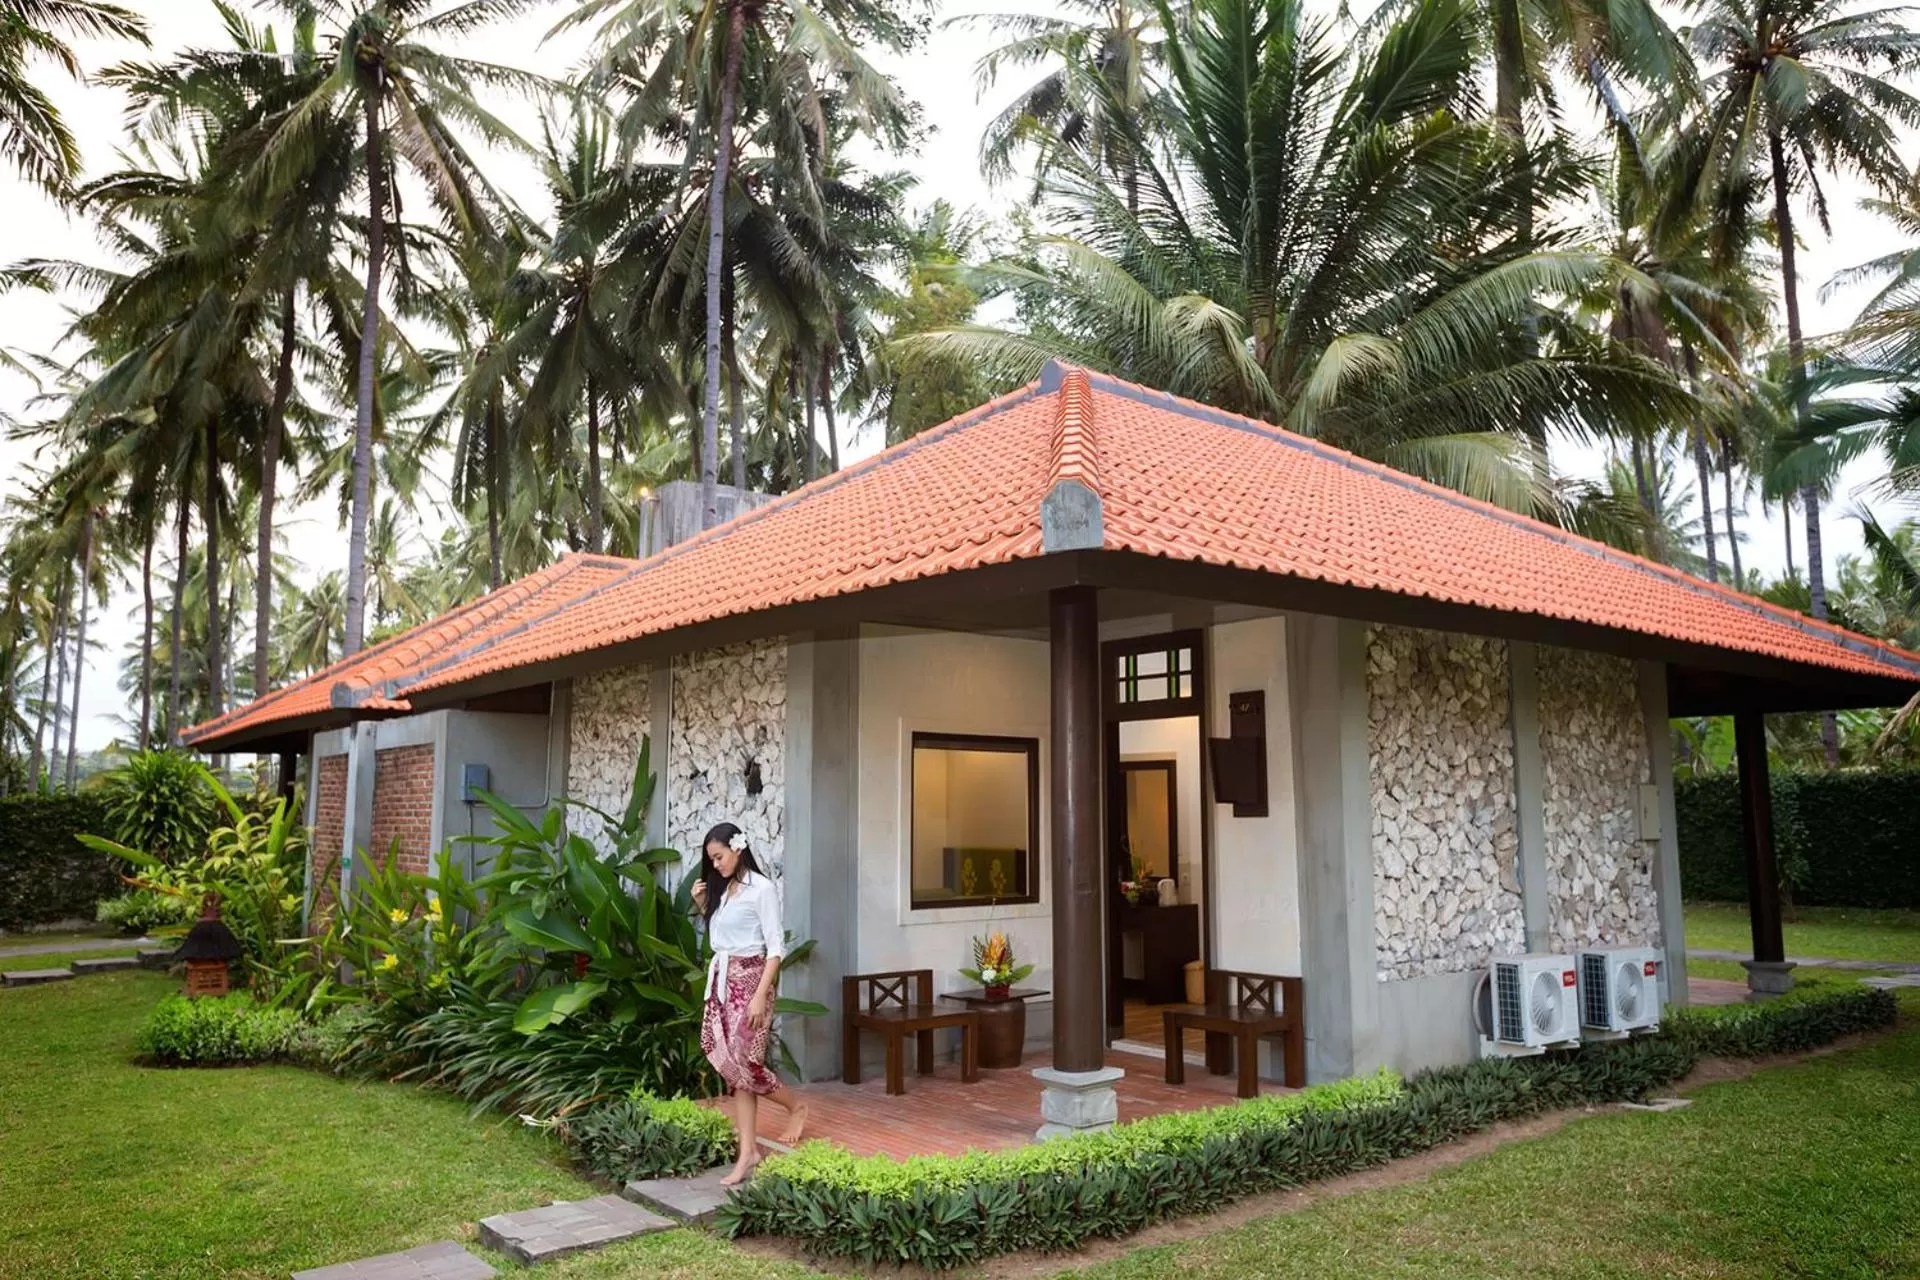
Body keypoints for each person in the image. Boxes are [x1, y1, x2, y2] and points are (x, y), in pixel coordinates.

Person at [692, 821, 808, 1185]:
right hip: (723, 983)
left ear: (737, 848)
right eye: (711, 860)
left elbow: (775, 948)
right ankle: (751, 1150)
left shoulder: (762, 890)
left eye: (719, 857)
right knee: (730, 1064)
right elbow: (721, 939)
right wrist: (703, 907)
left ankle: (787, 1114)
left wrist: (760, 995)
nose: (715, 865)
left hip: (753, 983)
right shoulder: (723, 891)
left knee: (746, 1066)